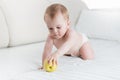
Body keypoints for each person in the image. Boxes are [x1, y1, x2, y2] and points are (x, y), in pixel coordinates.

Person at [41, 3, 94, 69]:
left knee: (88, 57)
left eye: (58, 27)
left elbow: (68, 45)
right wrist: (44, 64)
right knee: (65, 51)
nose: (55, 31)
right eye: (50, 28)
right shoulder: (51, 37)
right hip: (67, 50)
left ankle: (84, 50)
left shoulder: (71, 34)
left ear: (68, 24)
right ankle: (69, 53)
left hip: (81, 45)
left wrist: (56, 54)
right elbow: (47, 51)